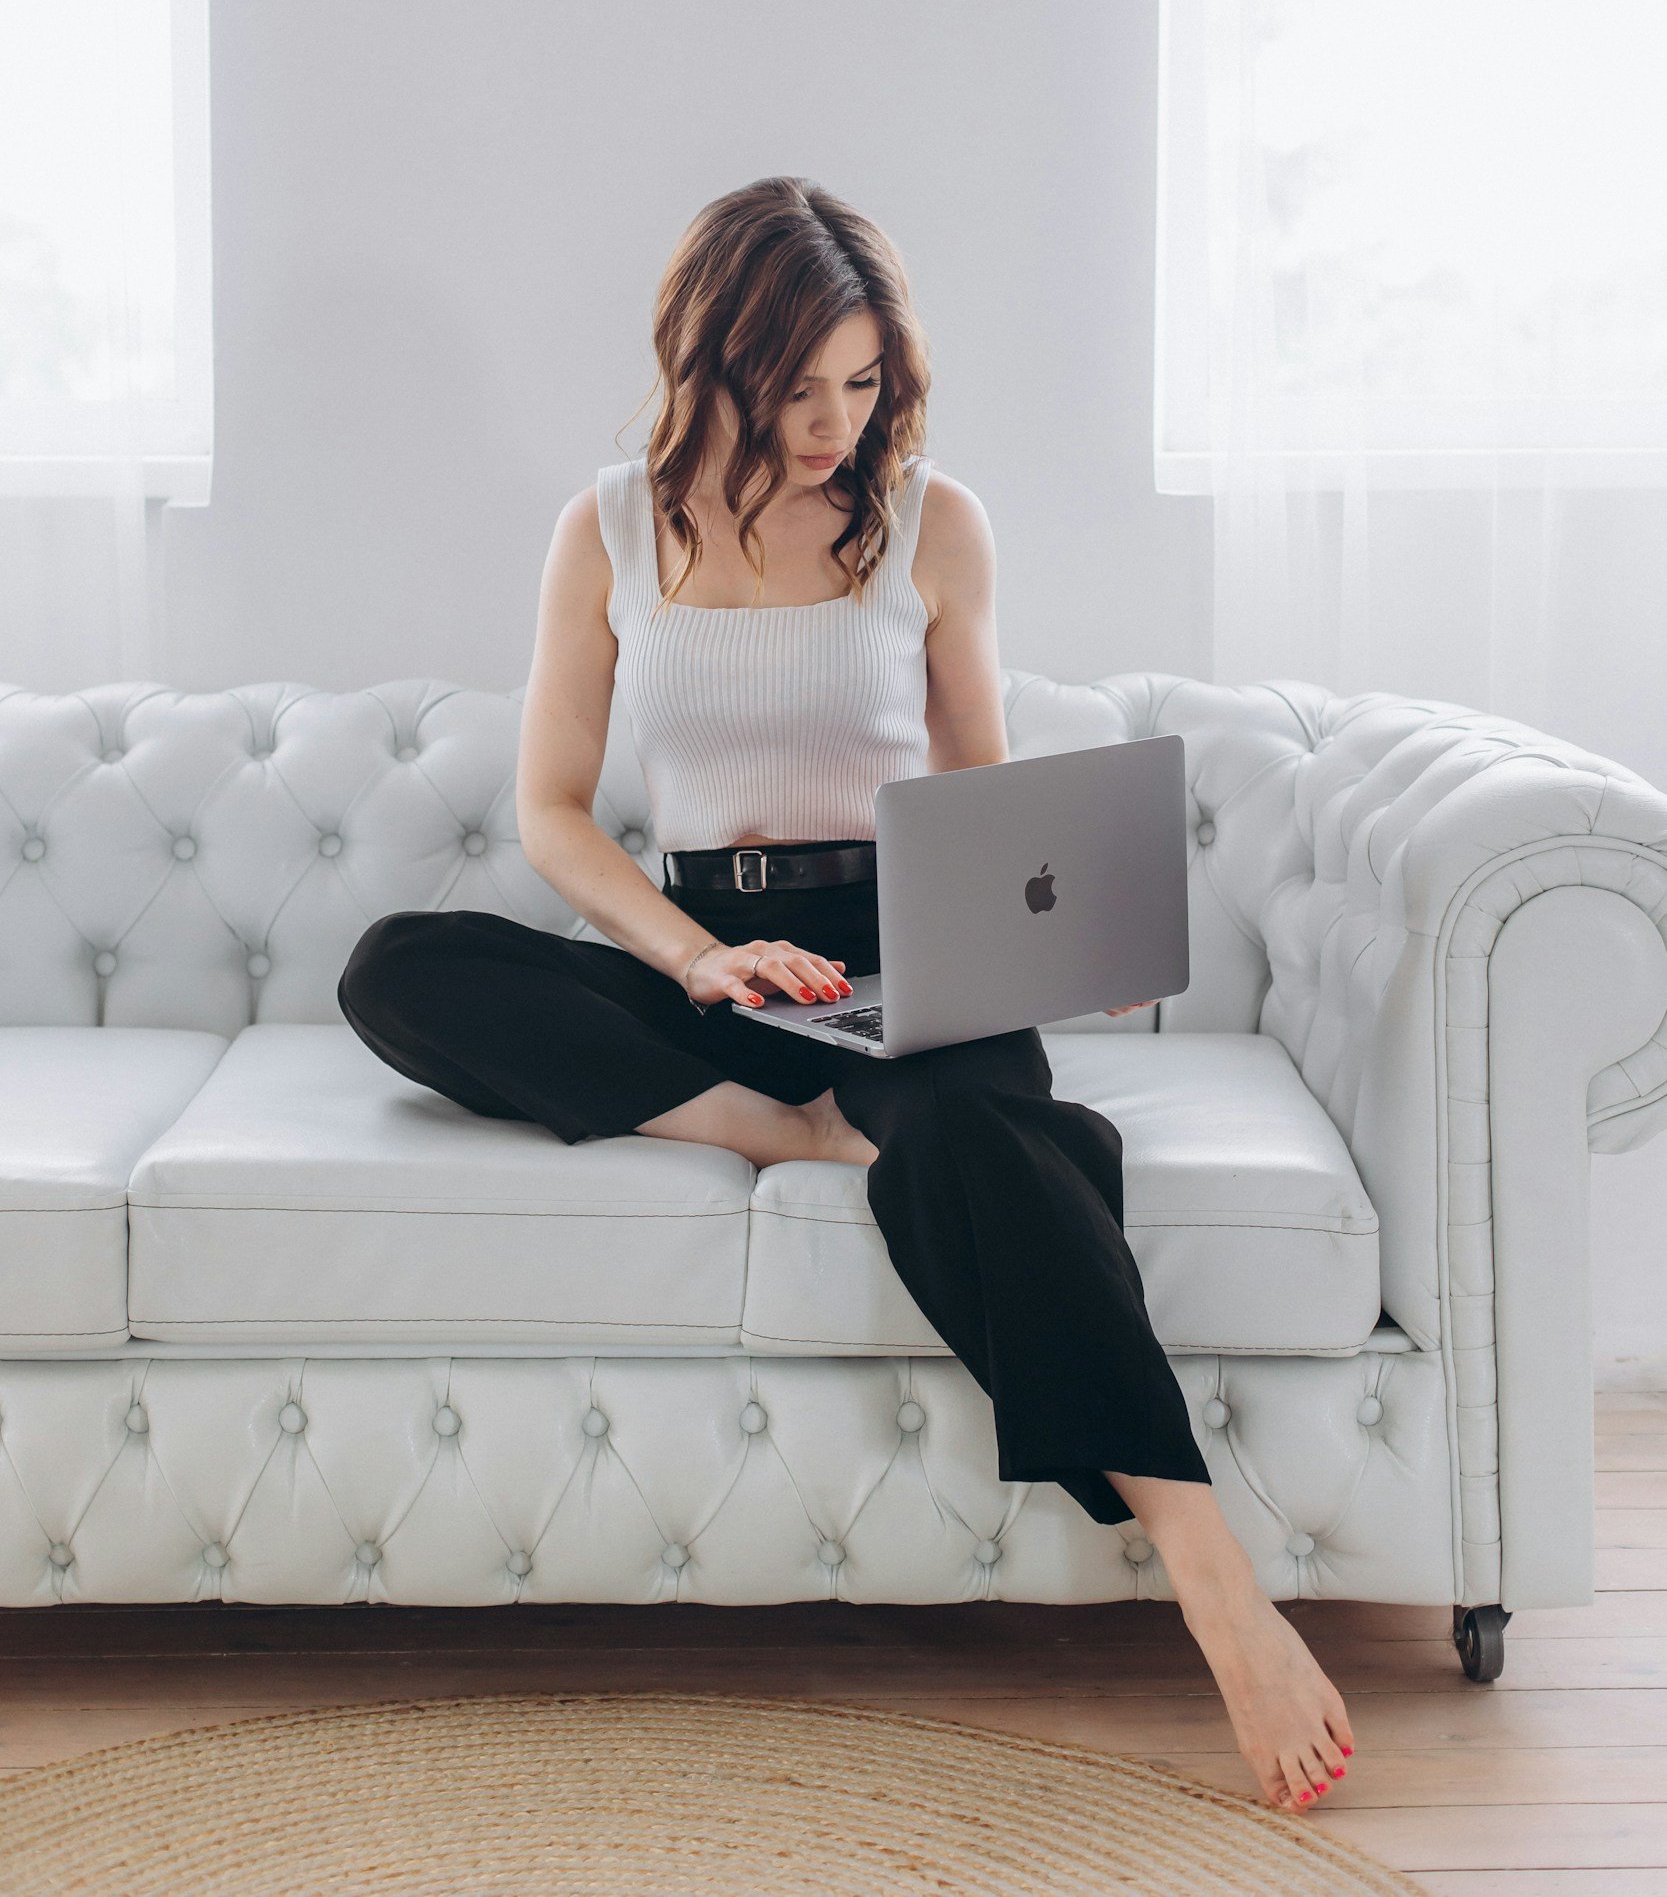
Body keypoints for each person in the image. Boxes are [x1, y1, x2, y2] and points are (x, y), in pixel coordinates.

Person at [338, 175, 1355, 1813]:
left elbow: (988, 802)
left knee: (969, 1141)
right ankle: (793, 1133)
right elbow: (549, 813)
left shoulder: (935, 526)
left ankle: (1210, 1570)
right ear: (711, 362)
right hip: (706, 962)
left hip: (899, 949)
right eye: (798, 385)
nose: (834, 422)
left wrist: (1047, 949)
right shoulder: (605, 528)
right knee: (400, 967)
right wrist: (696, 956)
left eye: (864, 383)